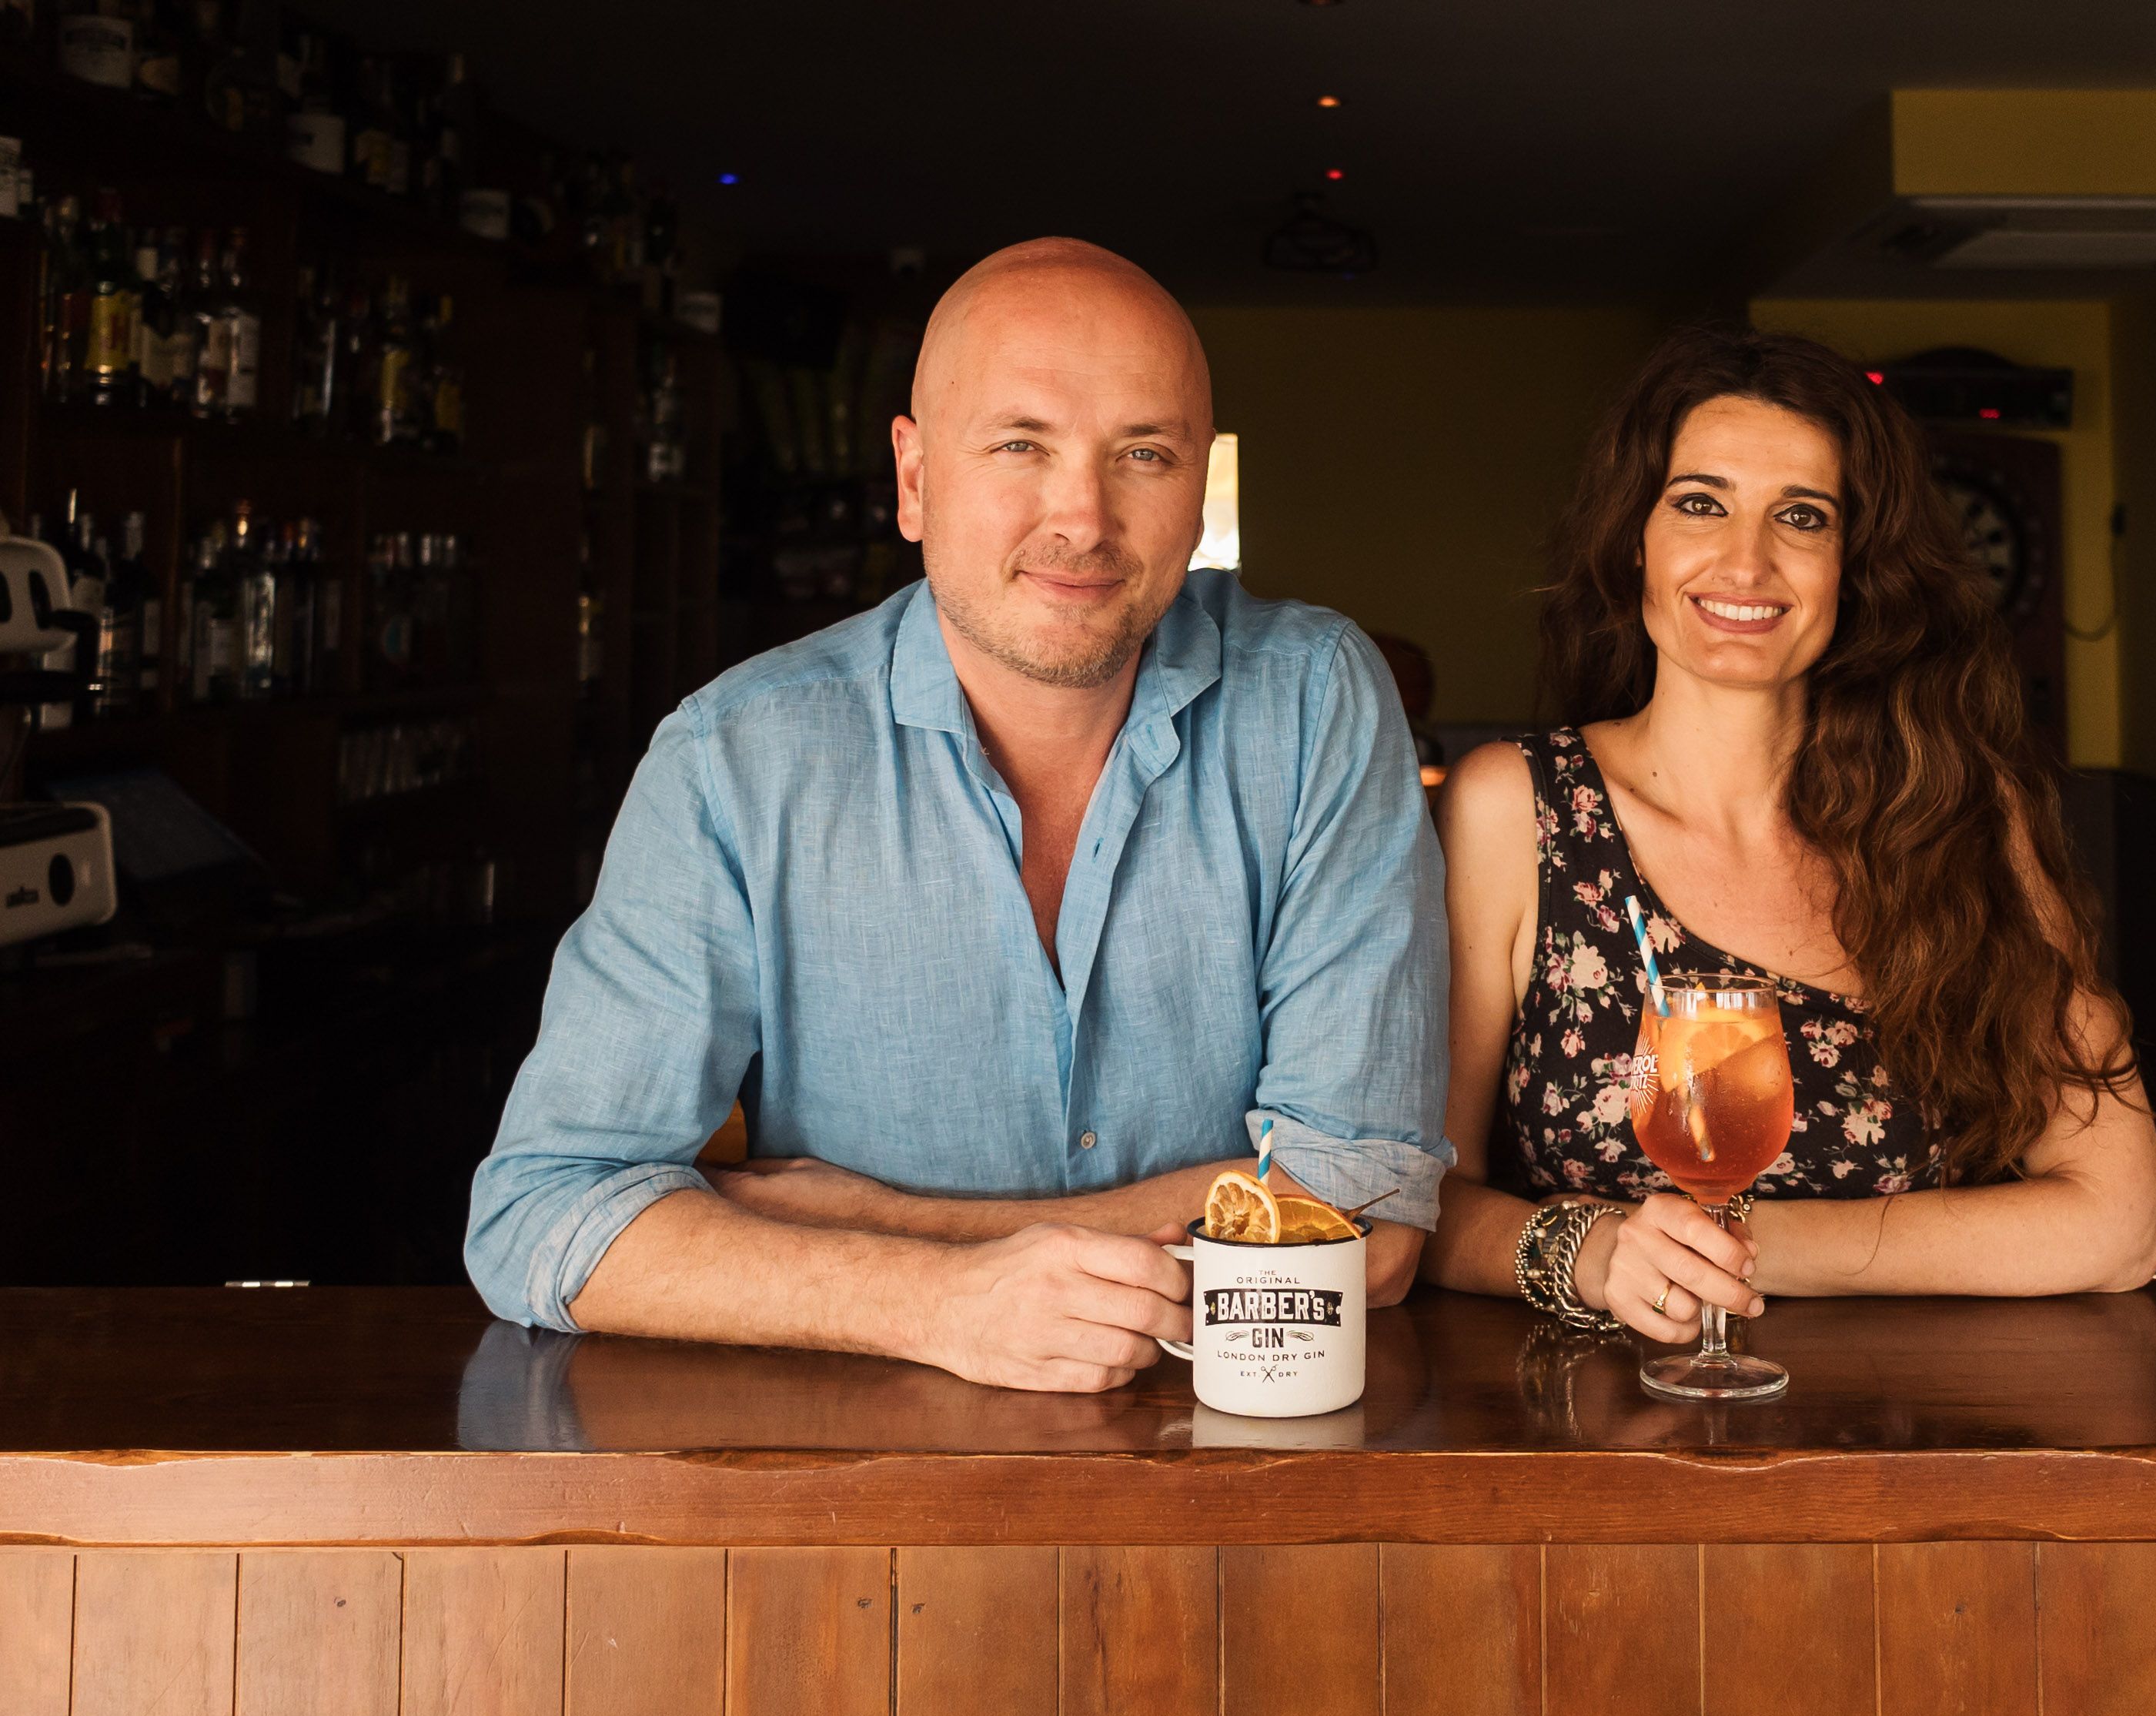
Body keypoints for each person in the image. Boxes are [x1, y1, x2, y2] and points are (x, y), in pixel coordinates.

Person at [466, 239, 1452, 1392]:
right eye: (1020, 445)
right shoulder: (734, 758)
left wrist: (889, 1223)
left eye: (1144, 452)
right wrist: (932, 1302)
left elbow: (1359, 1221)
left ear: (1200, 491)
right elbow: (545, 1217)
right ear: (916, 478)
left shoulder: (1316, 697)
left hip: (1230, 1476)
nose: (1082, 519)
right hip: (861, 1494)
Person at [1421, 325, 2156, 1340]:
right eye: (1699, 503)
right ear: (1633, 538)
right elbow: (1425, 1201)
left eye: (1802, 516)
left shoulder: (1960, 813)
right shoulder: (1516, 808)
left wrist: (1738, 1247)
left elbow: (2116, 1221)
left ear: (1856, 565)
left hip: (1906, 1436)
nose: (1747, 560)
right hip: (1601, 1436)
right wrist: (1591, 1254)